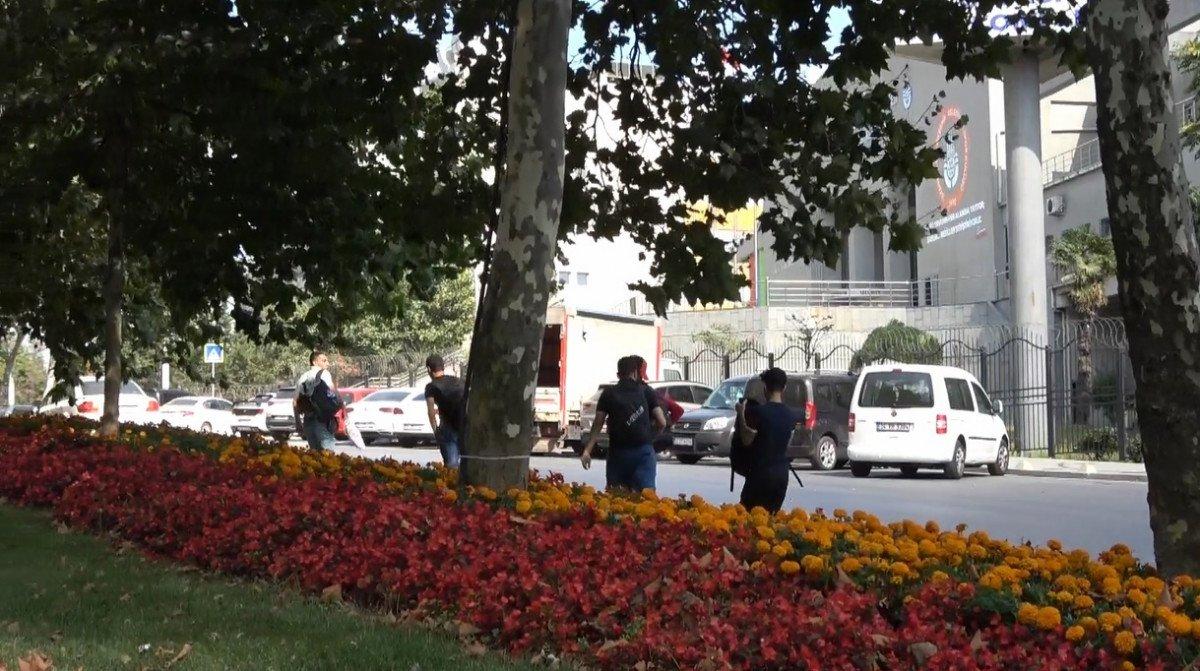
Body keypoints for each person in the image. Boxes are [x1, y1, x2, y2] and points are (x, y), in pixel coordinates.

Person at [581, 355, 668, 491]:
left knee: (617, 499)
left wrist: (587, 451)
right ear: (635, 372)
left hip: (618, 453)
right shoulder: (647, 391)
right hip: (643, 453)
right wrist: (650, 437)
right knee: (646, 499)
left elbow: (597, 425)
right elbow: (662, 422)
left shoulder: (608, 394)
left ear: (618, 374)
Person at [735, 367, 801, 513]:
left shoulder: (758, 412)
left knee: (748, 519)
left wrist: (741, 414)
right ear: (784, 388)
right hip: (781, 476)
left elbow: (746, 440)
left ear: (765, 387)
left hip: (759, 474)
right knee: (771, 518)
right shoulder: (791, 416)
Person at [294, 350, 342, 452]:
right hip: (322, 421)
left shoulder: (303, 377)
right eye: (324, 361)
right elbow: (333, 392)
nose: (327, 363)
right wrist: (342, 408)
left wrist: (298, 422)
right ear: (315, 362)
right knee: (328, 458)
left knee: (314, 458)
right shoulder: (324, 373)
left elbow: (295, 401)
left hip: (308, 421)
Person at [424, 354, 465, 468]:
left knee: (452, 466)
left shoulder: (431, 387)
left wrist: (435, 430)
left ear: (428, 369)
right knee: (466, 464)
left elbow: (431, 412)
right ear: (443, 366)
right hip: (465, 425)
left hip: (447, 427)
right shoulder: (459, 381)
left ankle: (452, 484)